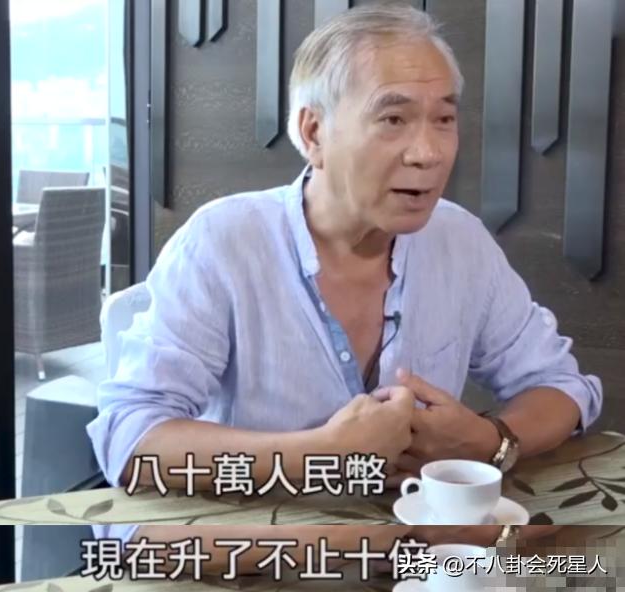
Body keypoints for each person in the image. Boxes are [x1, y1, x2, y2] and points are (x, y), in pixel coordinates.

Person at [87, 3, 602, 557]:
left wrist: (491, 440)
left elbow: (564, 388)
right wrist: (324, 452)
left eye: (444, 120)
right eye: (393, 119)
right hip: (266, 551)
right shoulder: (224, 241)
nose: (428, 153)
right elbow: (132, 440)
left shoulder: (460, 241)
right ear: (314, 132)